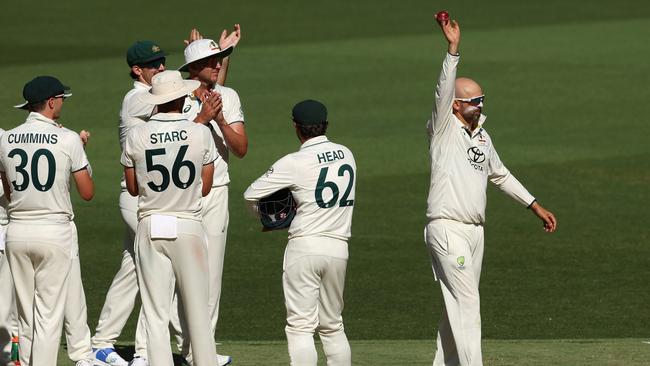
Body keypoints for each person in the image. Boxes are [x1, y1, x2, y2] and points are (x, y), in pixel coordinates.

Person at [424, 15, 557, 366]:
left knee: (456, 306)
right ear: (455, 105)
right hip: (447, 226)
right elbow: (442, 89)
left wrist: (534, 205)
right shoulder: (442, 129)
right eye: (473, 101)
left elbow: (500, 175)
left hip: (475, 232)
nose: (480, 105)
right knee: (467, 303)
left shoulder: (482, 135)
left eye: (482, 99)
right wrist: (453, 49)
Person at [244, 99, 355, 366]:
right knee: (332, 326)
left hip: (304, 247)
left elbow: (251, 194)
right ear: (325, 125)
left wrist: (272, 220)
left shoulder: (293, 162)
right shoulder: (347, 154)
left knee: (301, 327)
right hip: (339, 248)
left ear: (297, 127)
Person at [121, 70, 219, 366]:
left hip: (151, 223)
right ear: (182, 97)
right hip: (188, 224)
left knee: (155, 313)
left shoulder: (137, 134)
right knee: (198, 311)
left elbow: (134, 188)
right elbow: (205, 186)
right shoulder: (200, 132)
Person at [0, 76, 94, 366]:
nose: (63, 102)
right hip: (54, 231)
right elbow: (87, 192)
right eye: (61, 98)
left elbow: (7, 188)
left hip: (16, 231)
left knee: (26, 315)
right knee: (49, 315)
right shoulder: (67, 139)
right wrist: (78, 154)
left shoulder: (6, 138)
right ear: (51, 102)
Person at [177, 33, 246, 366]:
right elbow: (172, 144)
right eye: (212, 61)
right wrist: (203, 118)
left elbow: (241, 148)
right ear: (193, 67)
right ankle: (174, 347)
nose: (219, 64)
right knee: (177, 273)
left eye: (221, 60)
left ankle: (202, 352)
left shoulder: (228, 96)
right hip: (180, 196)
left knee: (211, 276)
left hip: (216, 192)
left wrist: (218, 118)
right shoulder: (172, 95)